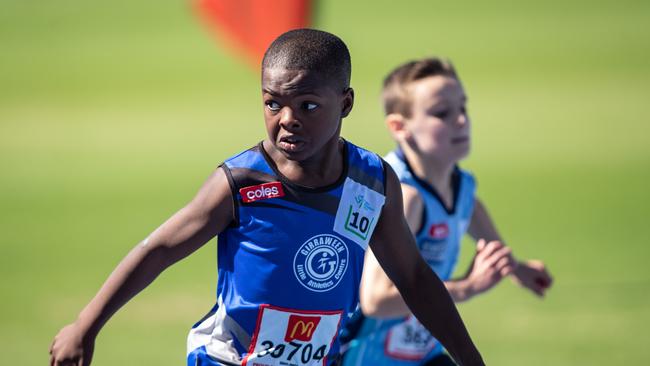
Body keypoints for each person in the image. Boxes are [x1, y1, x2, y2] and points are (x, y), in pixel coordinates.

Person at [49, 31, 485, 366]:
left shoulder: (371, 182)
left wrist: (470, 358)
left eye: (308, 105)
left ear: (346, 103)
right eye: (273, 104)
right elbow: (159, 250)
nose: (288, 120)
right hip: (227, 359)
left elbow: (413, 278)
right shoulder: (240, 182)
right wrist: (85, 327)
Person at [341, 58, 553, 366]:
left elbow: (469, 213)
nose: (462, 121)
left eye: (462, 108)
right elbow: (374, 301)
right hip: (368, 358)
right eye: (442, 113)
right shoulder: (405, 196)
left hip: (421, 353)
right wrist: (467, 287)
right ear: (400, 127)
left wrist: (515, 268)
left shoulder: (460, 185)